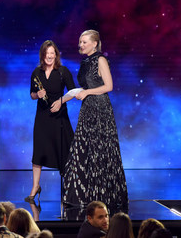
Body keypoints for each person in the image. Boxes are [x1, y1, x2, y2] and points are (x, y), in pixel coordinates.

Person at [63, 30, 128, 211]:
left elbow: (108, 86)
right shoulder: (84, 62)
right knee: (82, 150)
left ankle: (105, 196)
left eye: (84, 42)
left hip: (100, 110)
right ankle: (85, 196)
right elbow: (81, 89)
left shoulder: (100, 60)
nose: (80, 45)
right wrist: (63, 99)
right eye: (80, 42)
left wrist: (87, 92)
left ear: (94, 43)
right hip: (87, 110)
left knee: (101, 151)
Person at [27, 40, 76, 201]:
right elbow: (32, 95)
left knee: (63, 151)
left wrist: (61, 101)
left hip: (59, 116)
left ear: (56, 55)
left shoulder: (63, 71)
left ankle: (67, 189)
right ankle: (35, 186)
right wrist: (37, 95)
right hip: (42, 118)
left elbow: (73, 92)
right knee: (39, 151)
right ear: (43, 55)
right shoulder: (36, 73)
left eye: (52, 54)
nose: (49, 56)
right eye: (47, 54)